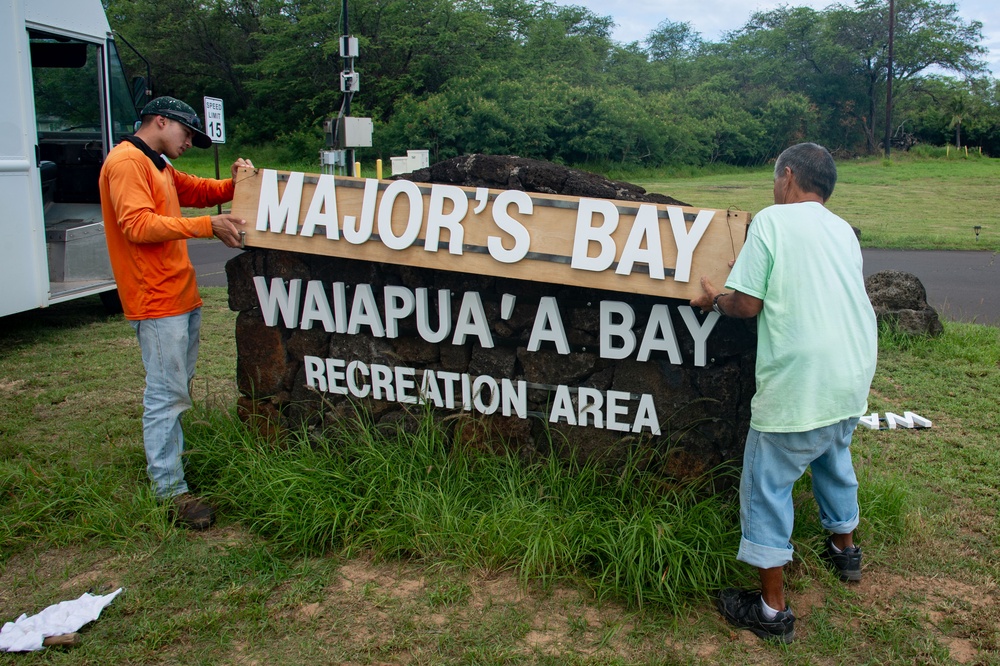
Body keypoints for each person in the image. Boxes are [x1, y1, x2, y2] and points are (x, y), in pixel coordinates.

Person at [690, 142, 877, 644]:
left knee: (767, 486)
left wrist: (713, 300)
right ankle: (845, 548)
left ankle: (771, 610)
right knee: (834, 455)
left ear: (788, 177)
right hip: (850, 373)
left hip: (800, 381)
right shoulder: (842, 230)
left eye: (775, 179)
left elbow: (748, 303)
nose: (773, 188)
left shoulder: (772, 221)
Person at [99, 96, 254, 530]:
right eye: (186, 133)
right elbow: (137, 224)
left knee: (175, 390)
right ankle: (170, 492)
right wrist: (208, 227)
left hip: (178, 295)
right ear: (160, 121)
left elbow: (199, 191)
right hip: (155, 298)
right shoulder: (128, 162)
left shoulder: (158, 165)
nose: (188, 142)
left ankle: (173, 474)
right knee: (165, 397)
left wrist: (239, 183)